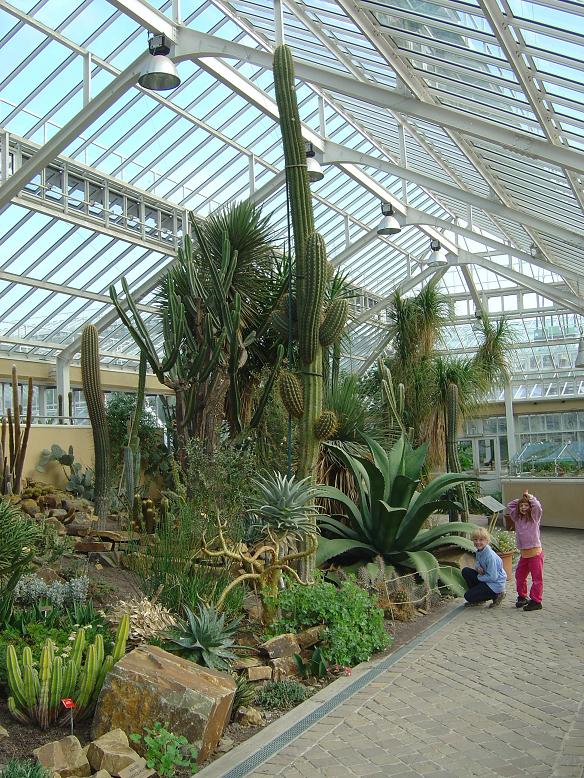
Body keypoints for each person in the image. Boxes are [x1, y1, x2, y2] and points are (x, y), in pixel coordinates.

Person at [506, 490, 543, 611]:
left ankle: (536, 601)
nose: (523, 507)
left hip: (535, 553)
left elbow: (537, 506)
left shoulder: (534, 517)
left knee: (537, 578)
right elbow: (510, 505)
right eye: (521, 506)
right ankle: (522, 597)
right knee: (519, 575)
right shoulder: (517, 518)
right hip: (524, 554)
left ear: (530, 507)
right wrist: (521, 500)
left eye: (526, 505)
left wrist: (529, 498)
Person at [462, 527, 507, 608]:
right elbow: (478, 562)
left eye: (481, 540)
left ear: (487, 541)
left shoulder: (490, 557)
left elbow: (493, 577)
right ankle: (479, 598)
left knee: (468, 596)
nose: (478, 542)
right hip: (486, 578)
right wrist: (478, 567)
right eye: (475, 539)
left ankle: (497, 595)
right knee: (466, 571)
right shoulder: (480, 551)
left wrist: (479, 577)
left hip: (495, 583)